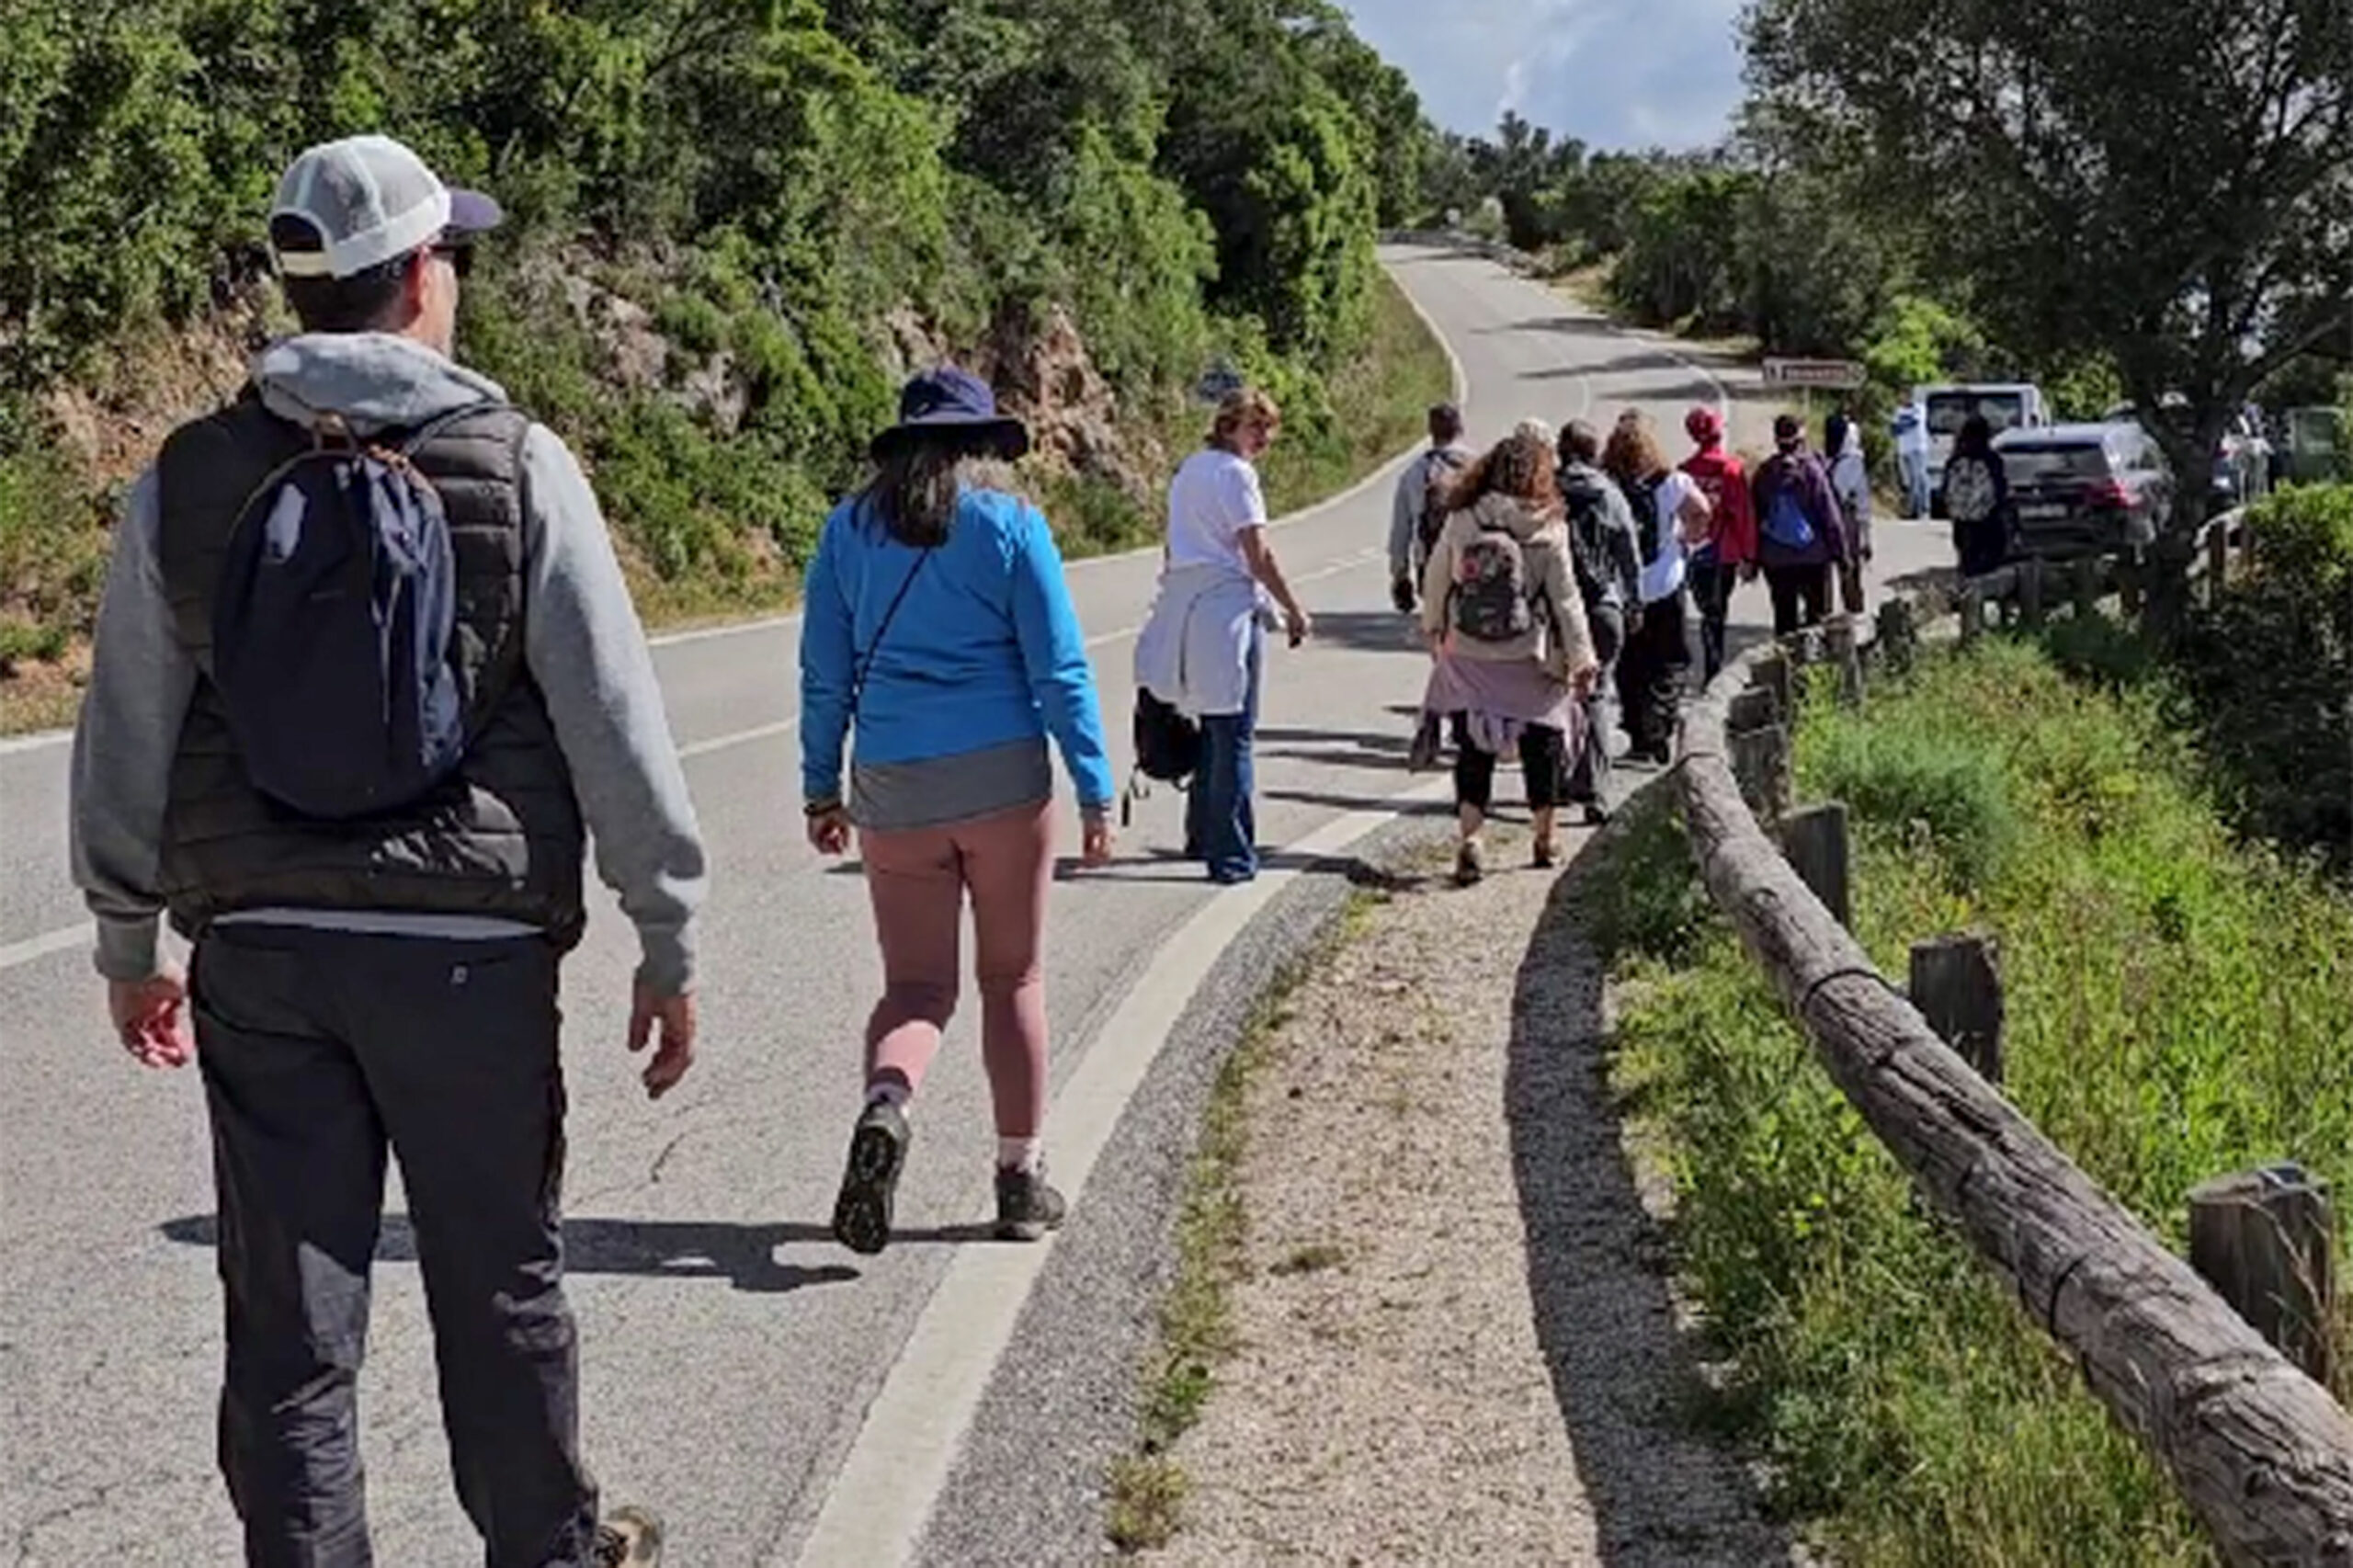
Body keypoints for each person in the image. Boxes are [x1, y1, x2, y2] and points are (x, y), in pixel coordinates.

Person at [68, 135, 698, 1567]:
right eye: (450, 255)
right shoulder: (518, 462)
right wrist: (666, 933)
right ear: (420, 276)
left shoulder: (192, 476)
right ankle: (546, 1549)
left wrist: (126, 936)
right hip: (470, 956)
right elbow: (613, 719)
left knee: (290, 1326)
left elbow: (128, 721)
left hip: (264, 947)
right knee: (501, 1285)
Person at [801, 367, 1117, 1256]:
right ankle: (1019, 1179)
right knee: (1011, 979)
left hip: (894, 784)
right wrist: (1094, 786)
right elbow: (1058, 668)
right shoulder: (1011, 525)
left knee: (915, 989)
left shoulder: (846, 531)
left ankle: (887, 1103)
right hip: (1003, 781)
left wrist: (821, 787)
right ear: (983, 446)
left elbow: (823, 675)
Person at [1135, 388, 1310, 884]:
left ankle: (1201, 834)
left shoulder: (1189, 470)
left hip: (1185, 606)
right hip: (1226, 610)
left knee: (1210, 726)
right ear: (1230, 425)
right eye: (1256, 426)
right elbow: (1258, 554)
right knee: (1233, 733)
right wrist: (1293, 608)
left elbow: (1173, 547)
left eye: (1268, 428)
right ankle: (1231, 853)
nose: (1264, 437)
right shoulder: (1237, 475)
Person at [1418, 429, 1598, 884]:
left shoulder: (1463, 518)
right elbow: (1567, 600)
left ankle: (1472, 837)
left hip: (1469, 652)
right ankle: (1545, 837)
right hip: (1529, 656)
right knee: (1543, 742)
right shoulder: (1548, 525)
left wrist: (1434, 629)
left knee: (1472, 747)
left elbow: (1437, 578)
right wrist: (1582, 658)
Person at [1603, 416, 1712, 765]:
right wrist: (1686, 540)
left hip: (1624, 588)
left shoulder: (1607, 483)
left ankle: (1637, 733)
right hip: (1665, 582)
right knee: (1669, 659)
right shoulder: (1671, 482)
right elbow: (1702, 511)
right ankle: (1659, 725)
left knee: (1629, 662)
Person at [1557, 420, 1643, 824]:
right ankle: (1596, 791)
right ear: (1595, 454)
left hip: (1558, 610)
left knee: (1554, 694)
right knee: (1598, 694)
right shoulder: (1610, 494)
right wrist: (1635, 602)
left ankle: (1556, 781)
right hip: (1603, 606)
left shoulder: (1547, 491)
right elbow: (1629, 554)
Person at [1750, 413, 1851, 637]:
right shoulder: (1811, 470)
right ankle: (1814, 659)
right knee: (1818, 619)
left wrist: (1753, 560)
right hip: (1812, 556)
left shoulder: (1764, 473)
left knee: (1784, 619)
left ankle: (1785, 657)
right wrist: (1842, 555)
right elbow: (1830, 516)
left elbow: (1755, 517)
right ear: (1801, 438)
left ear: (1776, 439)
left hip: (1776, 558)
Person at [1678, 406, 1758, 684]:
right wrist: (1749, 556)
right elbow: (1743, 516)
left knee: (1703, 610)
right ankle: (1713, 672)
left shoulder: (1685, 471)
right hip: (1723, 553)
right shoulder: (1731, 470)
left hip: (1692, 552)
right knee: (1717, 613)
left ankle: (1703, 667)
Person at [1388, 402, 1475, 613]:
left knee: (1435, 621)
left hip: (1429, 561)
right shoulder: (1478, 467)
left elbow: (1401, 532)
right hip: (1473, 561)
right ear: (1460, 428)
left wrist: (1400, 576)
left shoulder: (1413, 473)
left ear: (1430, 431)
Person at [1942, 414, 2012, 578]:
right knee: (1989, 564)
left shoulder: (1954, 460)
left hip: (1962, 522)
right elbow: (2000, 490)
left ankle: (1967, 585)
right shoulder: (1991, 459)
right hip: (1987, 521)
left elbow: (1945, 491)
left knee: (1967, 562)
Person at [1825, 409, 1874, 614]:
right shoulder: (1854, 462)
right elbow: (1862, 500)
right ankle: (1854, 614)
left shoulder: (1824, 459)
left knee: (1825, 573)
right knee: (1850, 571)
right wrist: (1866, 538)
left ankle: (1822, 614)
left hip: (1825, 518)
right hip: (1846, 519)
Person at [1891, 387, 1931, 518]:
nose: (1903, 398)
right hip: (1903, 449)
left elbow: (1914, 423)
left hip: (1918, 448)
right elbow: (1893, 429)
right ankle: (1911, 508)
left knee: (1918, 478)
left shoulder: (1919, 408)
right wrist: (1902, 427)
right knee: (1908, 481)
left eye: (1905, 395)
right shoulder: (1898, 410)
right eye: (1901, 396)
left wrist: (1901, 426)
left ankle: (1920, 509)